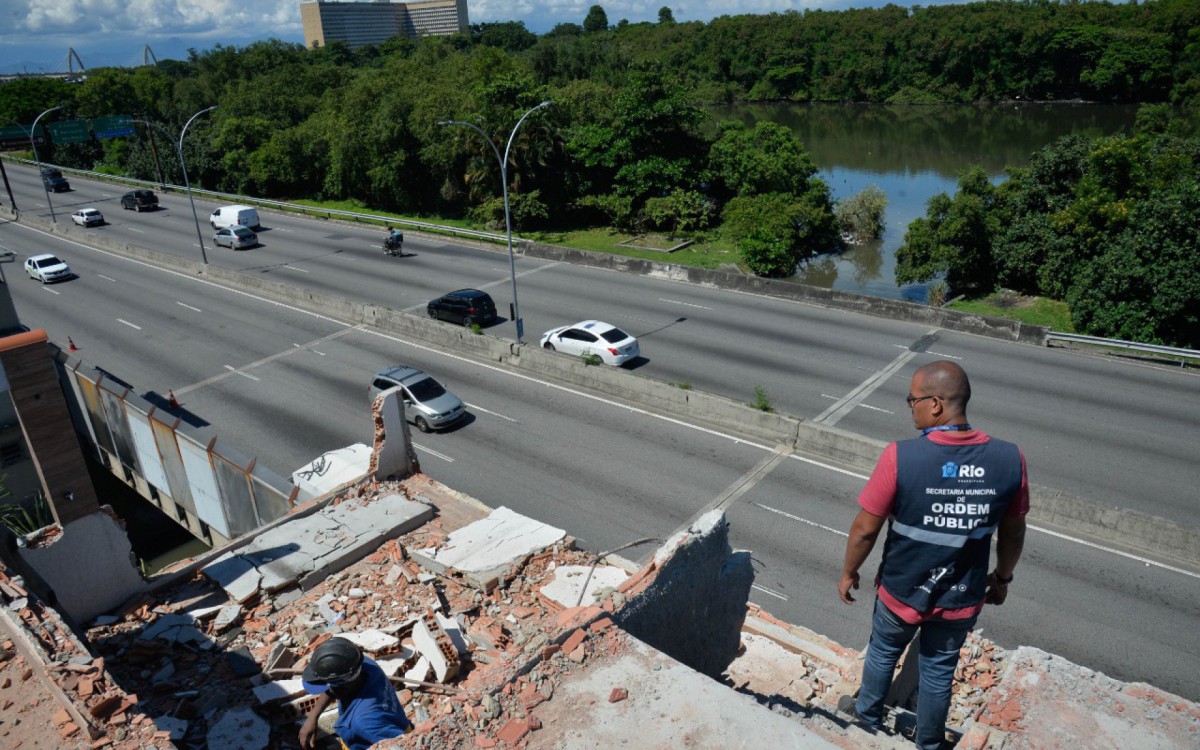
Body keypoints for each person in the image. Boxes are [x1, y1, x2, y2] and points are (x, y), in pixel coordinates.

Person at [837, 361, 1028, 750]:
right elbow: (1013, 531)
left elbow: (865, 529)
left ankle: (866, 725)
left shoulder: (900, 457)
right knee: (939, 671)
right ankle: (928, 743)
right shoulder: (1010, 459)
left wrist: (848, 572)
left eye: (913, 400)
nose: (911, 408)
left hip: (901, 591)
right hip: (961, 596)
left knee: (883, 652)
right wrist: (1002, 579)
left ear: (936, 404)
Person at [299, 637, 413, 750]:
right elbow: (333, 688)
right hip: (394, 722)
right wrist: (312, 718)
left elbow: (402, 744)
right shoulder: (363, 666)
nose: (327, 689)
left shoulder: (363, 723)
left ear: (343, 684)